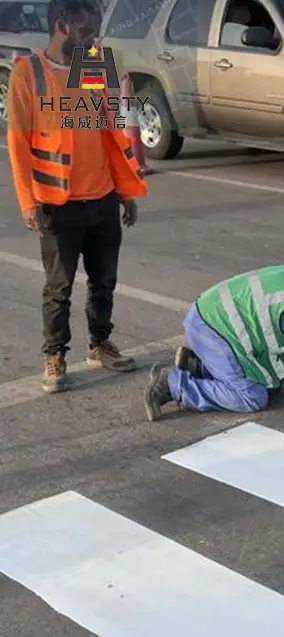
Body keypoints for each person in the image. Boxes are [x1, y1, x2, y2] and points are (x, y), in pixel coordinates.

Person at [6, 0, 147, 393]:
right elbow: (18, 143)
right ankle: (55, 354)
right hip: (57, 202)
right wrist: (28, 201)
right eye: (87, 30)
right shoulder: (28, 73)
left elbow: (111, 135)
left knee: (104, 281)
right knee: (59, 287)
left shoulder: (93, 63)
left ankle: (100, 344)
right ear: (63, 25)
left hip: (102, 198)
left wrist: (125, 193)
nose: (94, 38)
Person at [143, 257, 284, 422]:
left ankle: (199, 366)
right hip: (214, 331)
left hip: (210, 318)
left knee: (270, 383)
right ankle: (172, 385)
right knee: (252, 397)